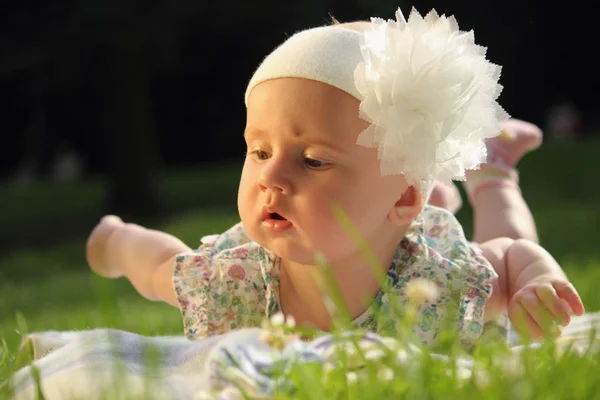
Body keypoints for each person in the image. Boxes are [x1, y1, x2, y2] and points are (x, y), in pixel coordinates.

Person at [86, 8, 584, 348]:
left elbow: (516, 255)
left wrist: (537, 283)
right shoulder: (231, 285)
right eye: (259, 151)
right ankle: (438, 194)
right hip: (392, 211)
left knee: (505, 236)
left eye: (313, 160)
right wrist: (113, 241)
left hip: (412, 234)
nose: (271, 178)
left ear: (402, 195)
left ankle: (493, 173)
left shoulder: (445, 283)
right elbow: (158, 266)